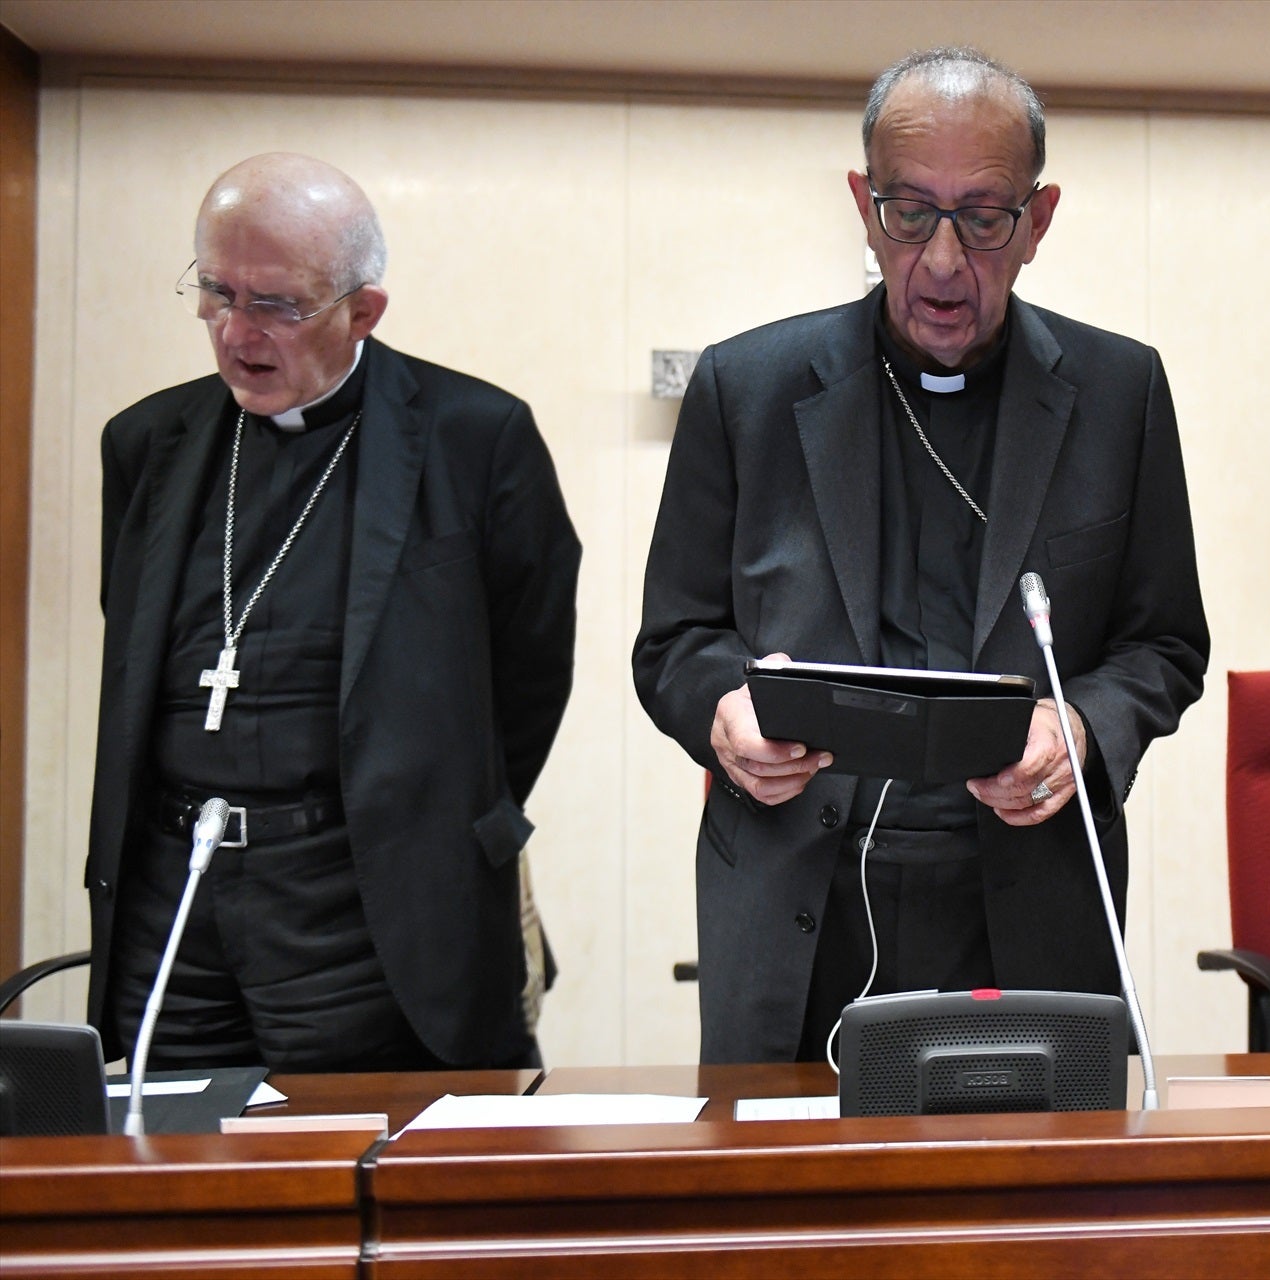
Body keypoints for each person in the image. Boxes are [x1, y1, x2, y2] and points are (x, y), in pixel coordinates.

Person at [633, 47, 1208, 1064]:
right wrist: (724, 711)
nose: (943, 260)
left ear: (1037, 220)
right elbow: (675, 639)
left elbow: (1162, 642)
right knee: (790, 1210)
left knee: (1029, 1209)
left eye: (984, 218)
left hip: (1029, 891)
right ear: (864, 204)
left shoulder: (1120, 392)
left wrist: (1083, 723)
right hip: (798, 880)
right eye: (911, 212)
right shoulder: (746, 387)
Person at [87, 153, 580, 1071]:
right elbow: (135, 650)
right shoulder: (146, 443)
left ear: (363, 311)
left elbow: (528, 669)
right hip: (175, 893)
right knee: (181, 1173)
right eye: (216, 292)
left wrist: (420, 812)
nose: (237, 333)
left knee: (366, 1170)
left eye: (276, 304)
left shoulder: (477, 438)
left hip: (363, 900)